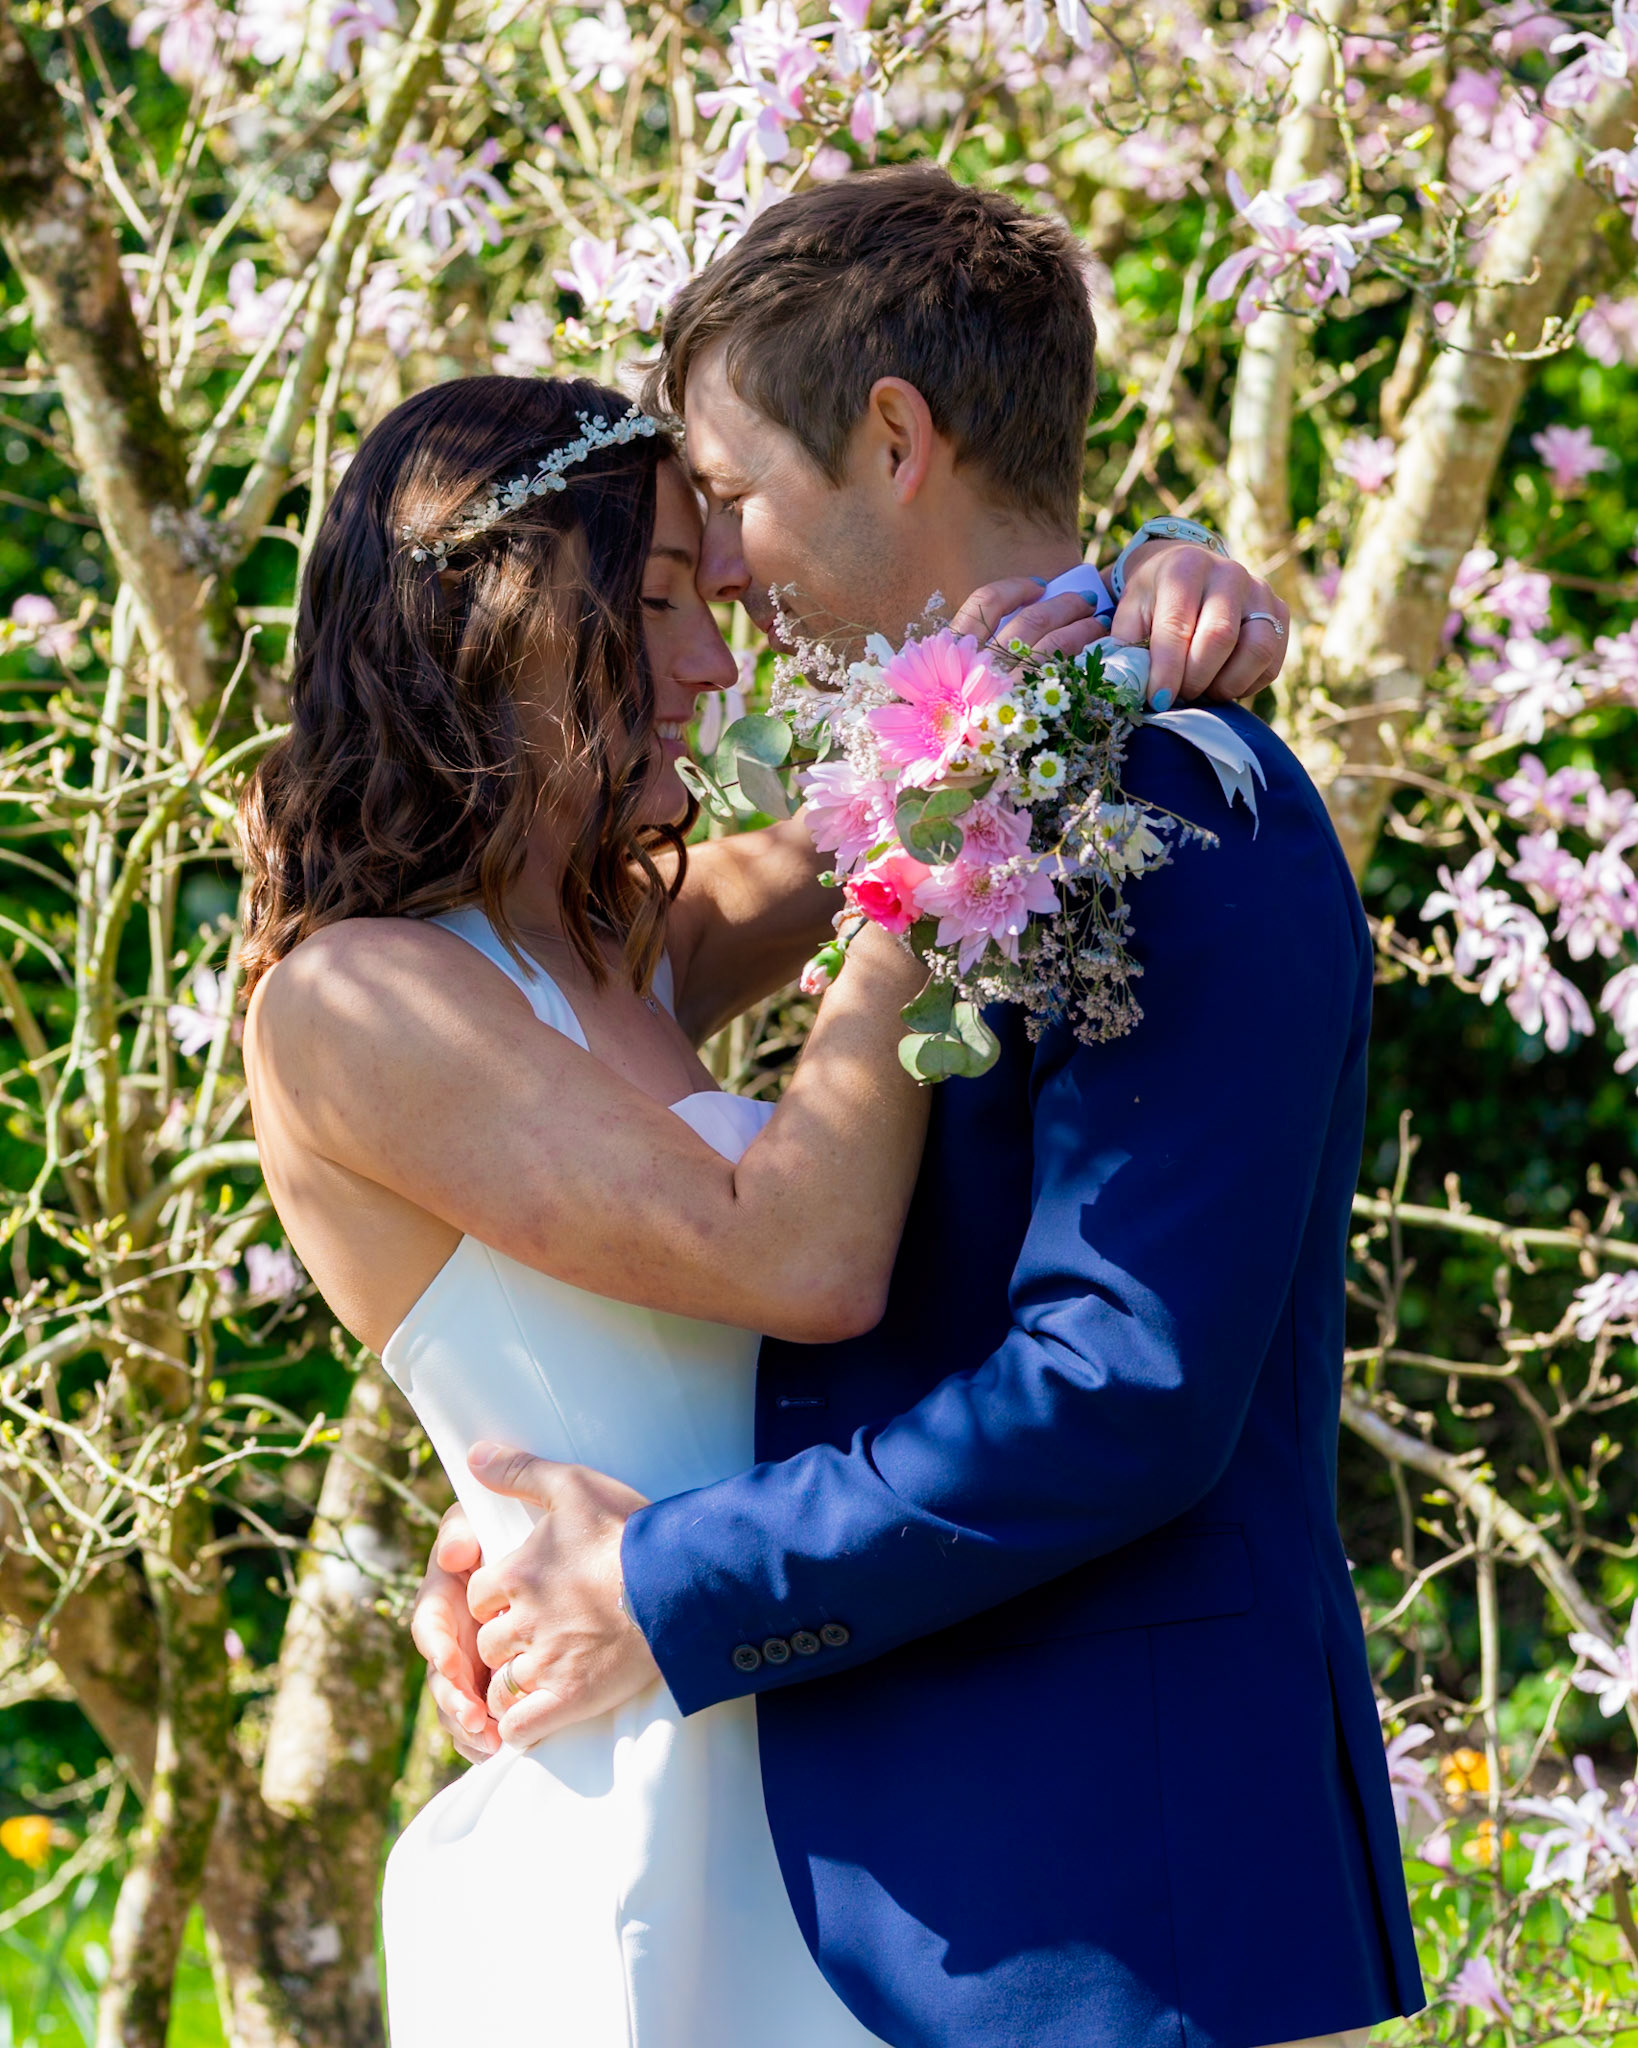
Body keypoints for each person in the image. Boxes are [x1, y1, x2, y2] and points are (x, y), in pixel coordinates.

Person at [413, 169, 1426, 2048]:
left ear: (891, 437)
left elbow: (1119, 1393)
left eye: (725, 497)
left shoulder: (1189, 805)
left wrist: (660, 1579)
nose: (717, 570)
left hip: (1106, 1916)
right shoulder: (941, 772)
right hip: (869, 1896)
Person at [241, 357, 1276, 2046]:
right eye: (655, 603)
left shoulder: (618, 948)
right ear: (491, 617)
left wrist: (1148, 571)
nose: (714, 664)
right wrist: (930, 838)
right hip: (634, 1823)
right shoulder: (355, 1003)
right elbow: (791, 1253)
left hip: (843, 1784)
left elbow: (968, 708)